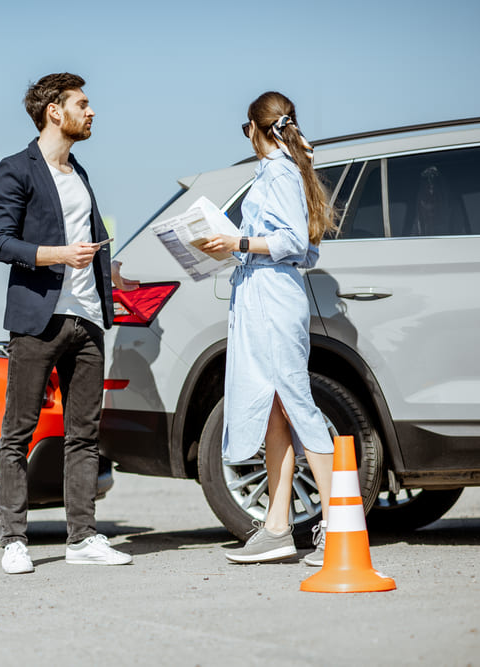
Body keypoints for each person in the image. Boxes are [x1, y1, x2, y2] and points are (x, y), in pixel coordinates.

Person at [0, 72, 137, 574]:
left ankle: (83, 538)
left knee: (84, 435)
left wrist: (109, 272)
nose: (91, 112)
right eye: (82, 103)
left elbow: (86, 239)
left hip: (88, 317)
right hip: (38, 319)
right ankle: (13, 540)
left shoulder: (79, 172)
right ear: (55, 111)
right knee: (18, 432)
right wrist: (59, 255)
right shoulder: (15, 169)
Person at [199, 91, 336, 566]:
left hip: (272, 299)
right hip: (265, 293)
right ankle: (278, 528)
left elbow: (295, 242)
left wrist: (237, 241)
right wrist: (236, 248)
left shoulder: (279, 171)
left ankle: (337, 524)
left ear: (256, 129)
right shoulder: (287, 170)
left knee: (296, 404)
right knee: (276, 409)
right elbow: (307, 248)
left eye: (247, 128)